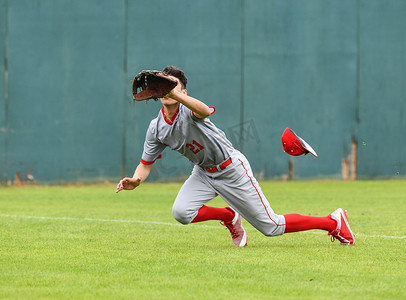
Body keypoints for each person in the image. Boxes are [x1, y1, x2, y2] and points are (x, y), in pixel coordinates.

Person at [116, 65, 355, 247]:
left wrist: (177, 95)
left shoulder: (189, 110)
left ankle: (333, 221)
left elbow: (203, 110)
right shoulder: (156, 128)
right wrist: (136, 180)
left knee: (272, 227)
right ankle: (230, 216)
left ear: (184, 91)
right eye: (163, 85)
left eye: (173, 85)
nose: (166, 89)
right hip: (203, 173)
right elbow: (145, 164)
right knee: (181, 212)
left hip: (231, 169)